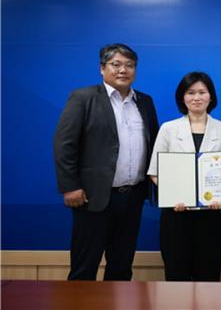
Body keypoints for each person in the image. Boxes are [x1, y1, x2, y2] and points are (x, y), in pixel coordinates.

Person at [54, 43, 159, 280]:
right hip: (92, 196)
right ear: (102, 68)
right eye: (116, 64)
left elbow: (153, 144)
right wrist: (70, 186)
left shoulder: (144, 101)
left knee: (121, 266)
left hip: (133, 196)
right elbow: (64, 144)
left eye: (130, 65)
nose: (123, 70)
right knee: (84, 267)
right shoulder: (84, 97)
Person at [147, 72, 221, 281]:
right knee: (176, 274)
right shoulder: (168, 129)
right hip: (176, 213)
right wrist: (172, 195)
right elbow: (155, 172)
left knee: (209, 275)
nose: (197, 98)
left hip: (212, 214)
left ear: (211, 97)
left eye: (202, 92)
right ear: (182, 97)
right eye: (191, 92)